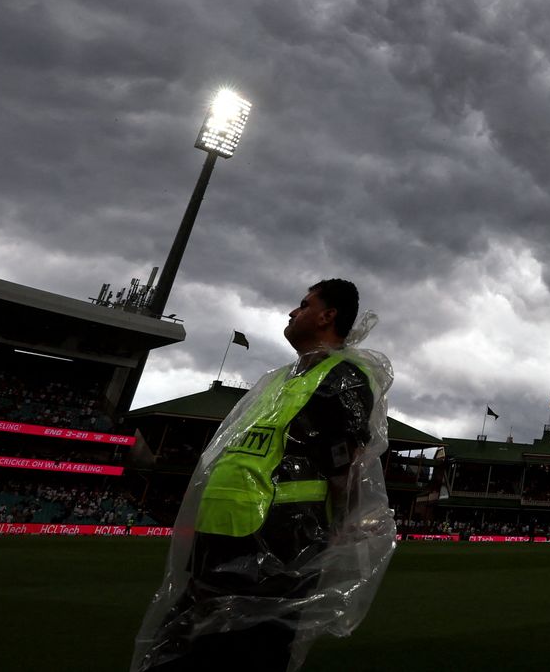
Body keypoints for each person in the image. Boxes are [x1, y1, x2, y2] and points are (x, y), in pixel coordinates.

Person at [132, 279, 395, 672]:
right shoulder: (276, 381)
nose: (293, 311)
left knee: (252, 651)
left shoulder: (344, 377)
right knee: (187, 647)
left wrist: (337, 530)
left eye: (304, 305)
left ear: (328, 316)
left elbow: (347, 466)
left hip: (280, 541)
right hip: (219, 535)